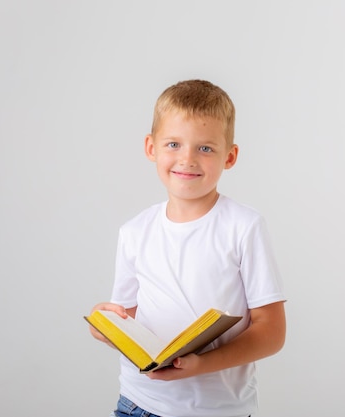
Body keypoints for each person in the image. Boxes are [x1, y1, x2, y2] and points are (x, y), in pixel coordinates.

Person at [89, 79, 286, 417]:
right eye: (174, 144)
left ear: (230, 156)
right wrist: (105, 327)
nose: (188, 159)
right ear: (151, 148)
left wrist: (201, 364)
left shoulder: (244, 227)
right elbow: (129, 317)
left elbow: (271, 333)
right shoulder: (135, 231)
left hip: (220, 410)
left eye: (205, 148)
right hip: (139, 404)